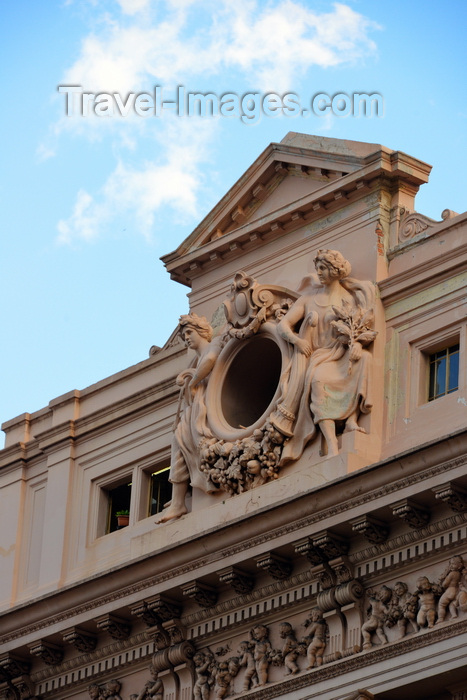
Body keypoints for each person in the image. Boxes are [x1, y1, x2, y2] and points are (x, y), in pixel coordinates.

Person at [275, 249, 376, 460]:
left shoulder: (348, 299)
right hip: (319, 357)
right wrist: (297, 340)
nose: (319, 273)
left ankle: (351, 421)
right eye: (317, 269)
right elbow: (283, 325)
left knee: (365, 358)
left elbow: (355, 329)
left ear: (334, 271)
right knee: (319, 380)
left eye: (323, 268)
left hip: (340, 352)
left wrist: (356, 344)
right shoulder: (308, 299)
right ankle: (332, 445)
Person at [156, 314, 222, 523]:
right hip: (198, 411)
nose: (186, 338)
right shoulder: (196, 359)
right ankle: (179, 498)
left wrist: (193, 380)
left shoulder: (214, 345)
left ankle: (178, 500)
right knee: (179, 441)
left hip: (208, 410)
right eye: (184, 335)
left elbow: (211, 360)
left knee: (181, 440)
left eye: (189, 333)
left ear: (202, 331)